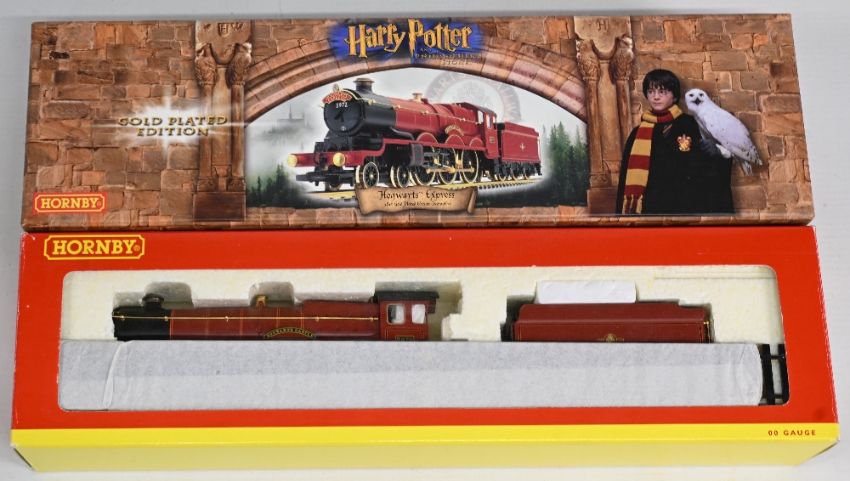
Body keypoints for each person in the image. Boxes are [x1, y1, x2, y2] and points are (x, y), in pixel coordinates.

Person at [615, 69, 733, 215]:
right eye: (651, 92)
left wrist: (719, 154)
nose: (656, 97)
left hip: (684, 207)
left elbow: (707, 170)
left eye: (662, 92)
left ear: (675, 96)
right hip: (650, 209)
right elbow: (625, 180)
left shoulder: (691, 125)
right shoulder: (637, 133)